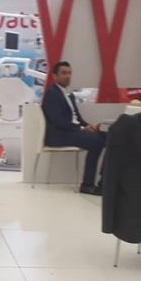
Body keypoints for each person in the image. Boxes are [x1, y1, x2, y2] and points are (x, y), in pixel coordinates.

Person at [41, 61, 105, 195]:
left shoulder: (70, 95)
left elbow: (77, 118)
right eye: (64, 73)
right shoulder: (52, 94)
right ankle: (87, 185)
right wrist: (81, 128)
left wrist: (87, 126)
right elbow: (58, 121)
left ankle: (105, 181)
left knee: (108, 137)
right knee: (96, 142)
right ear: (55, 76)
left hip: (72, 131)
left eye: (69, 73)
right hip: (59, 134)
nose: (67, 76)